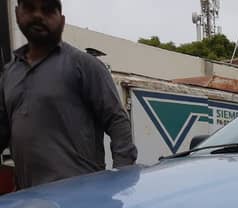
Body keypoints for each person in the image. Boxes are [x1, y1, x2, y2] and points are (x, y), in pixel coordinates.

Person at [0, 0, 137, 190]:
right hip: (27, 202)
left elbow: (117, 121)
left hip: (79, 200)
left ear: (62, 20)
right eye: (30, 8)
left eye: (48, 10)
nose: (38, 15)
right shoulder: (9, 74)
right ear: (17, 14)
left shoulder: (84, 65)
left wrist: (121, 179)